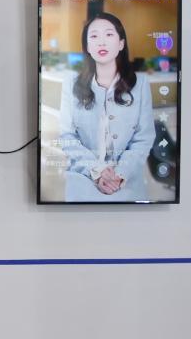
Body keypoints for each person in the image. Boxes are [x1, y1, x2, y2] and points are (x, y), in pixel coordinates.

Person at [59, 11, 155, 201]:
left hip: (126, 180)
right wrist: (98, 171)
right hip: (83, 175)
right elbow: (67, 137)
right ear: (87, 46)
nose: (101, 42)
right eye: (94, 36)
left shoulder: (141, 84)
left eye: (109, 34)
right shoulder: (71, 83)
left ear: (121, 43)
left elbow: (143, 139)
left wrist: (120, 174)